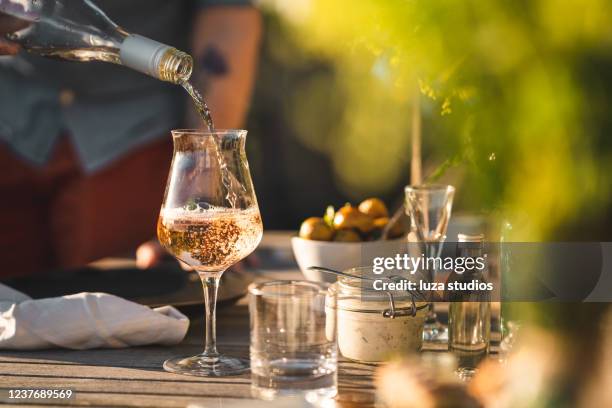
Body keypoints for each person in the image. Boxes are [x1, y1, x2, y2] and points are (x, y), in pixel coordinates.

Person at [0, 1, 261, 277]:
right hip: (10, 127)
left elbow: (228, 21)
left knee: (123, 306)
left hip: (132, 143)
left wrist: (204, 189)